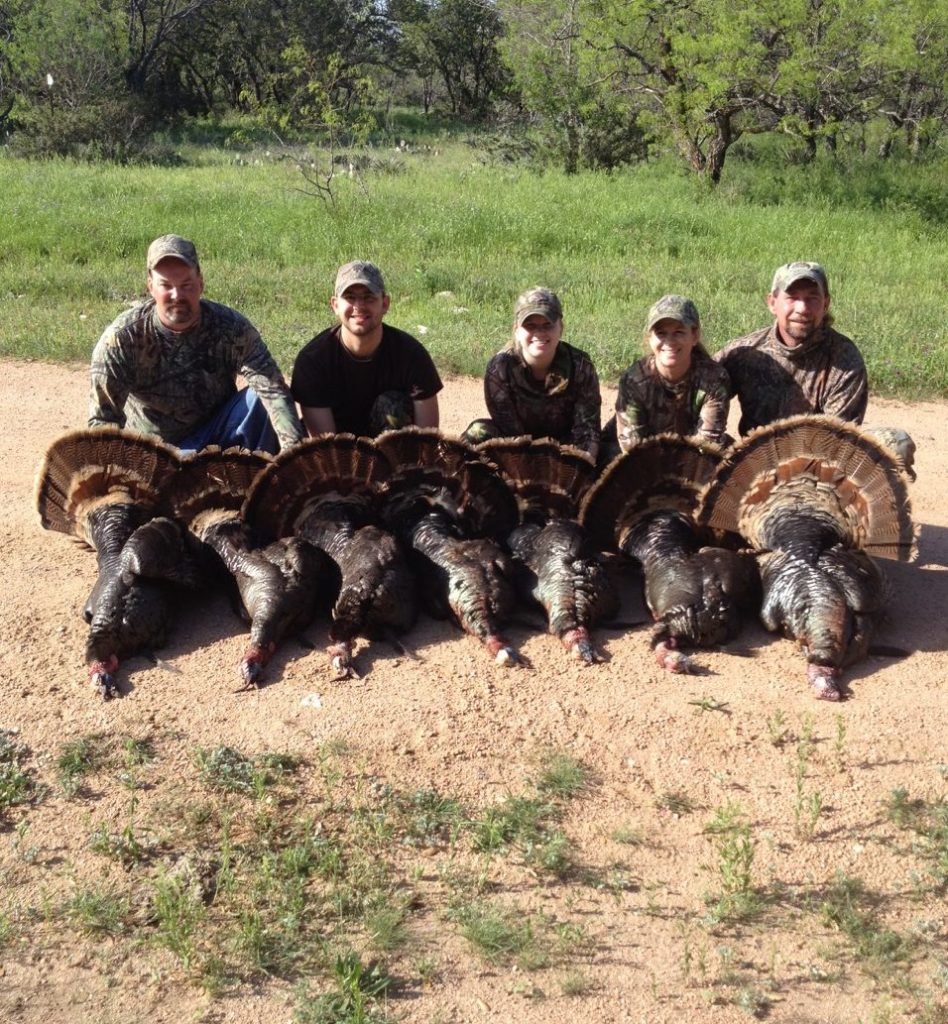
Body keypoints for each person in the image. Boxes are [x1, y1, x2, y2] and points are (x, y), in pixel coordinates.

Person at [89, 234, 303, 455]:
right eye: (166, 285)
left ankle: (260, 479)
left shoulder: (231, 327)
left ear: (201, 283)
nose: (177, 295)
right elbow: (102, 421)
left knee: (259, 398)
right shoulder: (121, 339)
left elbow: (273, 388)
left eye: (186, 285)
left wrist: (293, 453)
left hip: (220, 440)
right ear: (150, 287)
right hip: (158, 455)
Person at [291, 260, 442, 437]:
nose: (359, 306)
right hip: (337, 455)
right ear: (335, 305)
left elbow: (427, 439)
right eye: (349, 297)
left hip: (393, 456)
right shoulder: (313, 360)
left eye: (368, 297)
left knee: (392, 406)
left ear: (385, 304)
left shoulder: (411, 354)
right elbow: (325, 444)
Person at [716, 261, 868, 437]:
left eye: (812, 298)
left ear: (825, 304)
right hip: (752, 461)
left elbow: (834, 442)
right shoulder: (745, 352)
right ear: (772, 303)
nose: (802, 308)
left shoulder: (845, 360)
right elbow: (699, 386)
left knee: (895, 442)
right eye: (792, 297)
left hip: (817, 459)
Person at [462, 287, 601, 460]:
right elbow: (509, 434)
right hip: (516, 451)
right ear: (517, 330)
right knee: (476, 433)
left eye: (547, 325)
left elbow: (587, 429)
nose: (539, 333)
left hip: (565, 450)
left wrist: (575, 468)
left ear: (561, 328)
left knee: (607, 449)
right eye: (530, 326)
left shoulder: (580, 366)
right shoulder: (500, 368)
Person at [602, 294, 731, 459]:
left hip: (692, 461)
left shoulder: (714, 380)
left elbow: (707, 447)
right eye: (661, 333)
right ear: (650, 339)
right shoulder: (634, 381)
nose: (669, 341)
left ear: (695, 335)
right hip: (641, 461)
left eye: (678, 332)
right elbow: (633, 451)